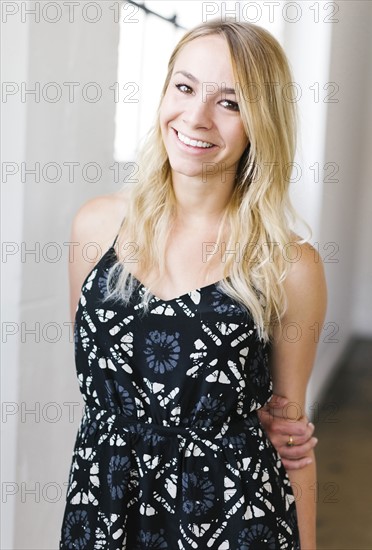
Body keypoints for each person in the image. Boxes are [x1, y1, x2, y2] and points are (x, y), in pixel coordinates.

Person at [59, 19, 327, 550]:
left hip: (235, 522)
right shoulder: (96, 227)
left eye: (229, 103)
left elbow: (291, 441)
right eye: (184, 88)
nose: (196, 118)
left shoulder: (290, 265)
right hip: (106, 512)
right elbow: (100, 396)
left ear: (261, 122)